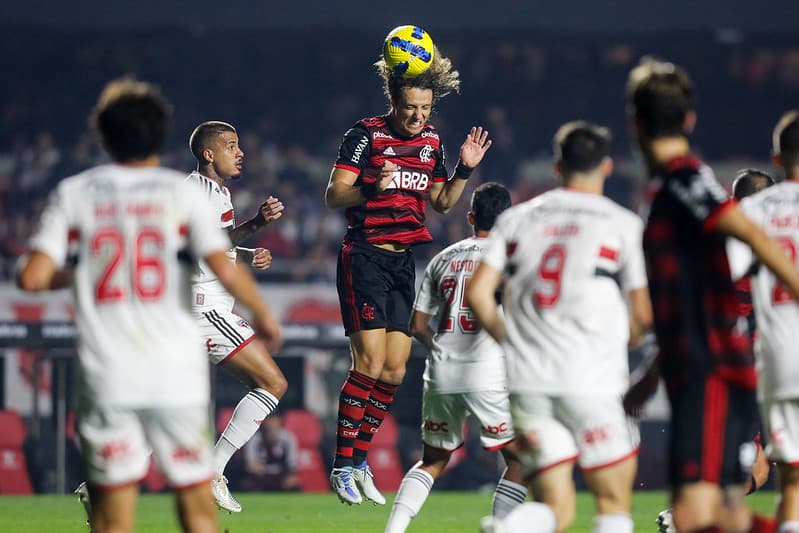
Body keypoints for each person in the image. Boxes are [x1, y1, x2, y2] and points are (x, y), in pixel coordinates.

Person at [16, 77, 280, 533]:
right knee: (196, 506)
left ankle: (99, 488)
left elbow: (32, 277)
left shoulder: (76, 193)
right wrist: (263, 312)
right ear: (159, 136)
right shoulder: (177, 194)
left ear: (102, 136)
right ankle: (212, 472)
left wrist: (91, 271)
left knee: (113, 514)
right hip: (173, 336)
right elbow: (213, 256)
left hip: (108, 358)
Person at [626, 56, 799, 533]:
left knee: (702, 516)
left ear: (634, 123)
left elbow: (753, 235)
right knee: (708, 516)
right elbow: (696, 292)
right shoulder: (672, 185)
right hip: (698, 366)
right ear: (689, 117)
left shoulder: (685, 181)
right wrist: (653, 370)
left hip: (712, 369)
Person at [324, 36, 493, 505]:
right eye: (410, 107)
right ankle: (341, 466)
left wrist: (463, 169)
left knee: (396, 372)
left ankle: (359, 461)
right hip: (364, 255)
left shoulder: (432, 141)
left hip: (403, 261)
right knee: (370, 364)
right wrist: (370, 188)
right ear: (393, 102)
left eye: (424, 107)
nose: (418, 116)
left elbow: (440, 203)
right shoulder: (365, 136)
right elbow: (334, 195)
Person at [467, 121, 652, 533]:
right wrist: (624, 339)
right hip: (593, 380)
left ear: (556, 166)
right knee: (613, 503)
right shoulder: (622, 223)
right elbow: (642, 316)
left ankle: (511, 528)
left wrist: (512, 341)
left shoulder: (516, 220)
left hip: (530, 381)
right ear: (607, 167)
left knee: (555, 507)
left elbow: (479, 295)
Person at [624, 168, 776, 533]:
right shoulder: (776, 242)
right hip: (753, 365)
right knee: (761, 465)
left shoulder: (707, 242)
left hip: (710, 362)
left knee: (749, 463)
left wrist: (652, 372)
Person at [385, 182, 527, 533]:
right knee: (522, 459)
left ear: (469, 217)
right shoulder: (511, 259)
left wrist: (442, 350)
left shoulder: (442, 258)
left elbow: (417, 325)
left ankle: (393, 530)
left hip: (442, 371)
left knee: (432, 460)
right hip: (487, 371)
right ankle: (500, 527)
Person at [186, 121, 288, 513]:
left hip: (192, 308)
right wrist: (257, 224)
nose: (240, 152)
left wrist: (244, 254)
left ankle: (98, 487)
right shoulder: (202, 190)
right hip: (205, 309)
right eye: (231, 146)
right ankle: (213, 471)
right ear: (209, 154)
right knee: (273, 382)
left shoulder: (206, 191)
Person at [727, 111, 799, 532]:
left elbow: (720, 286)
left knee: (778, 474)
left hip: (764, 356)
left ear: (778, 156)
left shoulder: (744, 220)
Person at [240, 410, 300, 492]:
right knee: (247, 484)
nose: (271, 423)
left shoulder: (288, 438)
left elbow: (292, 462)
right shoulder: (255, 438)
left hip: (281, 475)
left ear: (280, 421)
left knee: (294, 484)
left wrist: (290, 475)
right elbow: (250, 462)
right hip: (261, 475)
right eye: (269, 420)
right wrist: (256, 468)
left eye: (274, 420)